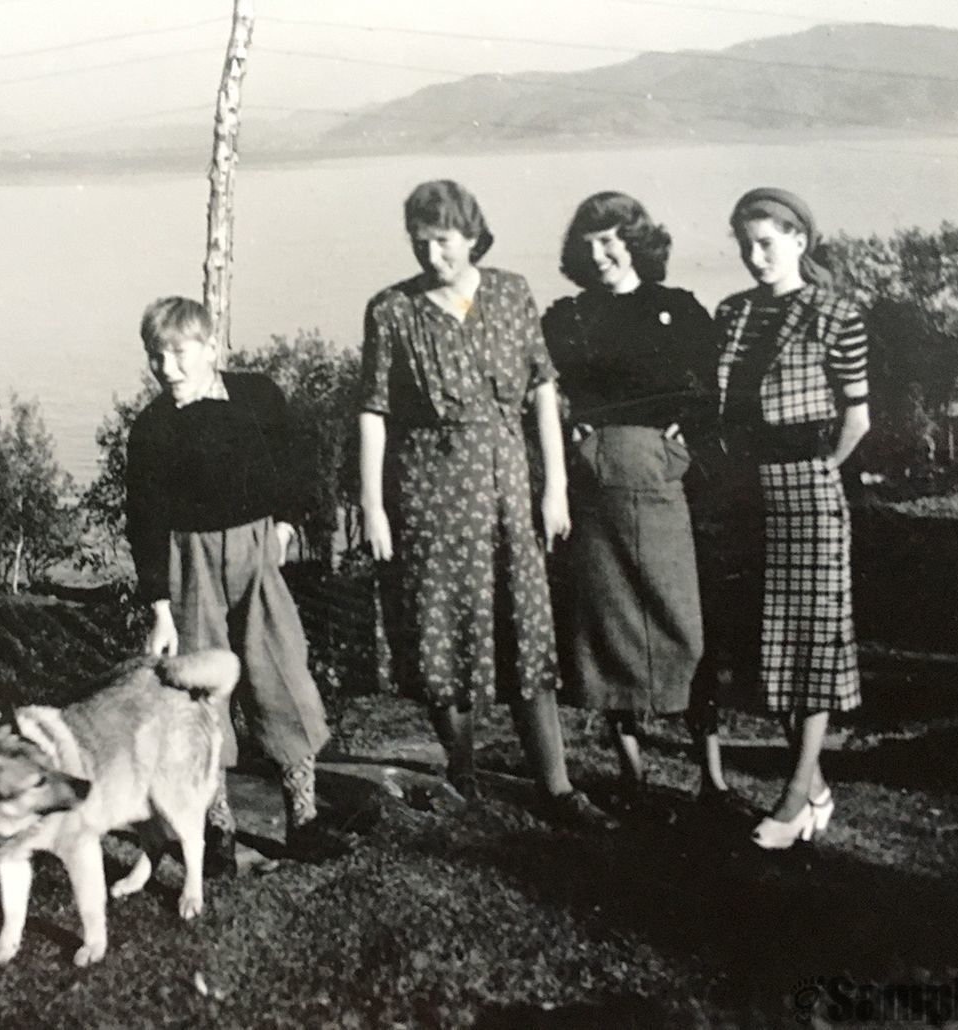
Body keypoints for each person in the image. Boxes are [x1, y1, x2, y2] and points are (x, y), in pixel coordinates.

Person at [358, 179, 611, 830]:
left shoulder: (510, 293)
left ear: (471, 235)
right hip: (427, 494)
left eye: (442, 240)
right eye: (420, 241)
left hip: (505, 487)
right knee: (443, 630)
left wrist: (554, 485)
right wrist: (372, 506)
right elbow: (373, 412)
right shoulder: (391, 311)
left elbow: (544, 393)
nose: (430, 254)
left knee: (526, 626)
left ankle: (556, 788)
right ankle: (463, 775)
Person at [125, 296, 352, 871]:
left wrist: (283, 526)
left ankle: (305, 821)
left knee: (281, 674)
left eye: (178, 354)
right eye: (156, 357)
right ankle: (218, 834)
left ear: (210, 349)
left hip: (255, 553)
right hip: (188, 563)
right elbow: (144, 519)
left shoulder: (257, 396)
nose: (166, 369)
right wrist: (160, 608)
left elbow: (295, 462)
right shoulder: (151, 429)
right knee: (201, 696)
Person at [541, 191, 731, 809]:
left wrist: (681, 444)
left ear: (638, 240)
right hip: (597, 492)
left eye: (612, 239)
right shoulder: (566, 318)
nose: (601, 254)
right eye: (589, 243)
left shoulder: (679, 309)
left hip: (665, 487)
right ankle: (632, 773)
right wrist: (577, 441)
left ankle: (713, 777)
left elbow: (712, 395)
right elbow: (545, 393)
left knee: (687, 627)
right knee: (609, 628)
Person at [713, 188, 870, 849]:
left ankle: (793, 800)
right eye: (746, 245)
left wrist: (817, 469)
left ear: (800, 241)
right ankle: (817, 787)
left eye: (767, 244)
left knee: (810, 651)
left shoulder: (838, 315)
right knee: (770, 652)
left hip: (808, 491)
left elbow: (859, 418)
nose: (755, 258)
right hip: (749, 494)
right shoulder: (733, 313)